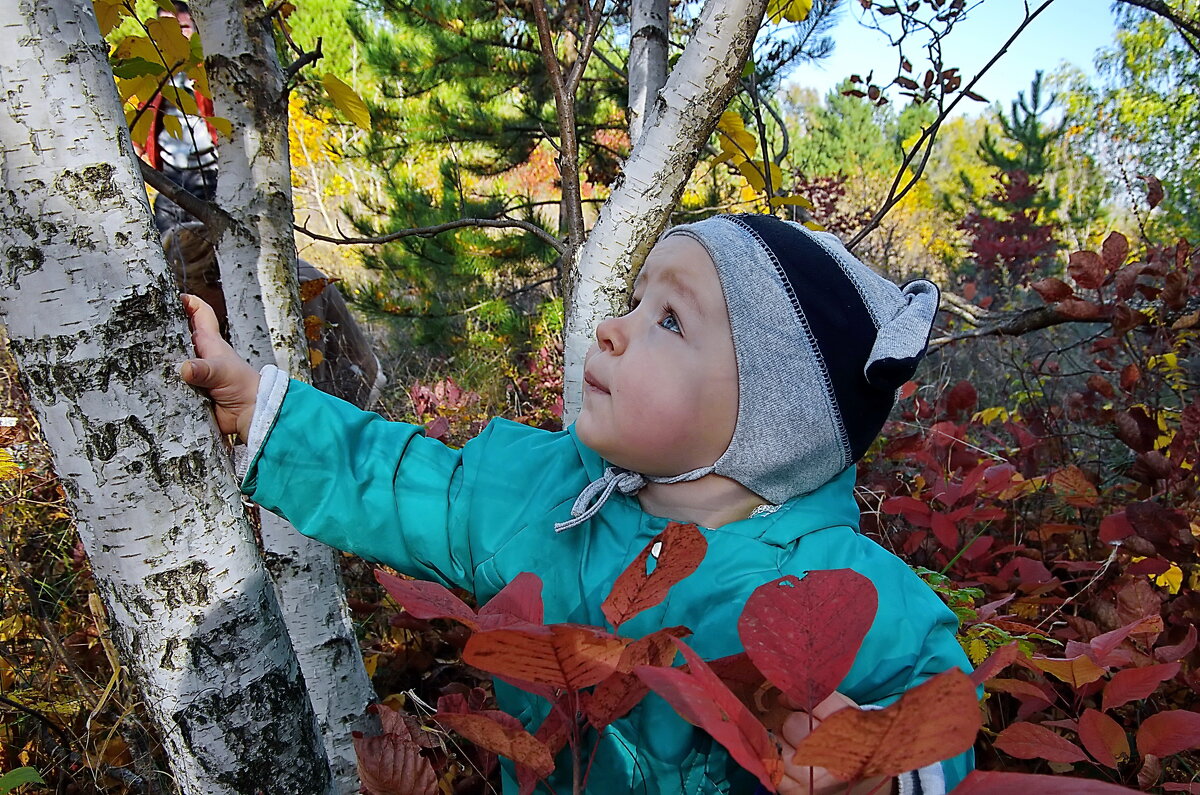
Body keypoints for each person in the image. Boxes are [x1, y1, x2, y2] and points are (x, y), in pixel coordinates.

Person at [179, 214, 974, 794]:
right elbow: (400, 480)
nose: (611, 330)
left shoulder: (847, 594)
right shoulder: (548, 492)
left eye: (669, 319)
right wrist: (265, 415)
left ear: (773, 420)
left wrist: (878, 778)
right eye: (632, 301)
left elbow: (938, 719)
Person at [163, 222, 384, 409]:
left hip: (349, 395)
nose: (188, 309)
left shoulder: (291, 291)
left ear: (220, 280)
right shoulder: (234, 305)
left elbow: (307, 385)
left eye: (193, 293)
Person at [137, 1, 220, 233]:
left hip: (210, 172)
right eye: (166, 28)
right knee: (168, 242)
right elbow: (143, 121)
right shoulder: (152, 72)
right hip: (170, 174)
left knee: (208, 249)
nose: (175, 36)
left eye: (182, 28)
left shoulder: (210, 67)